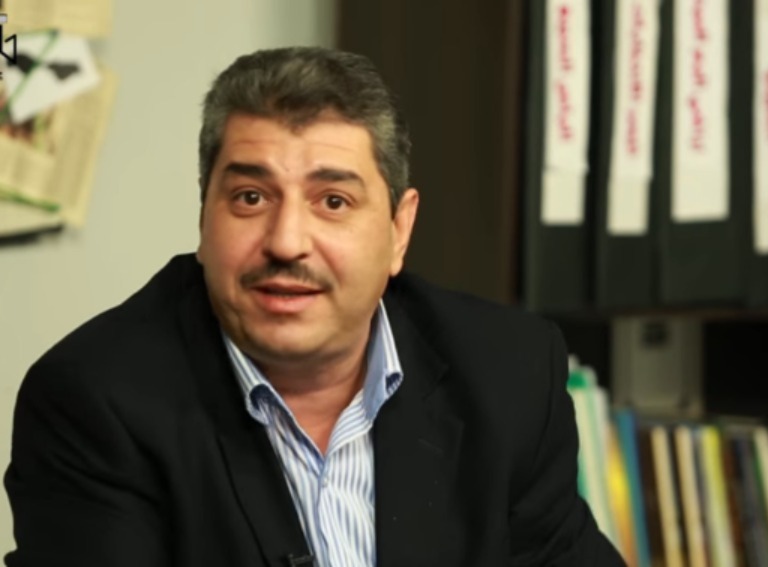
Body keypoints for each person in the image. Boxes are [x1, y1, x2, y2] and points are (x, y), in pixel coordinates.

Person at [3, 47, 623, 566]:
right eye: (250, 197)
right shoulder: (95, 402)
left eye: (333, 201)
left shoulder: (506, 371)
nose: (286, 242)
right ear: (204, 214)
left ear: (399, 230)